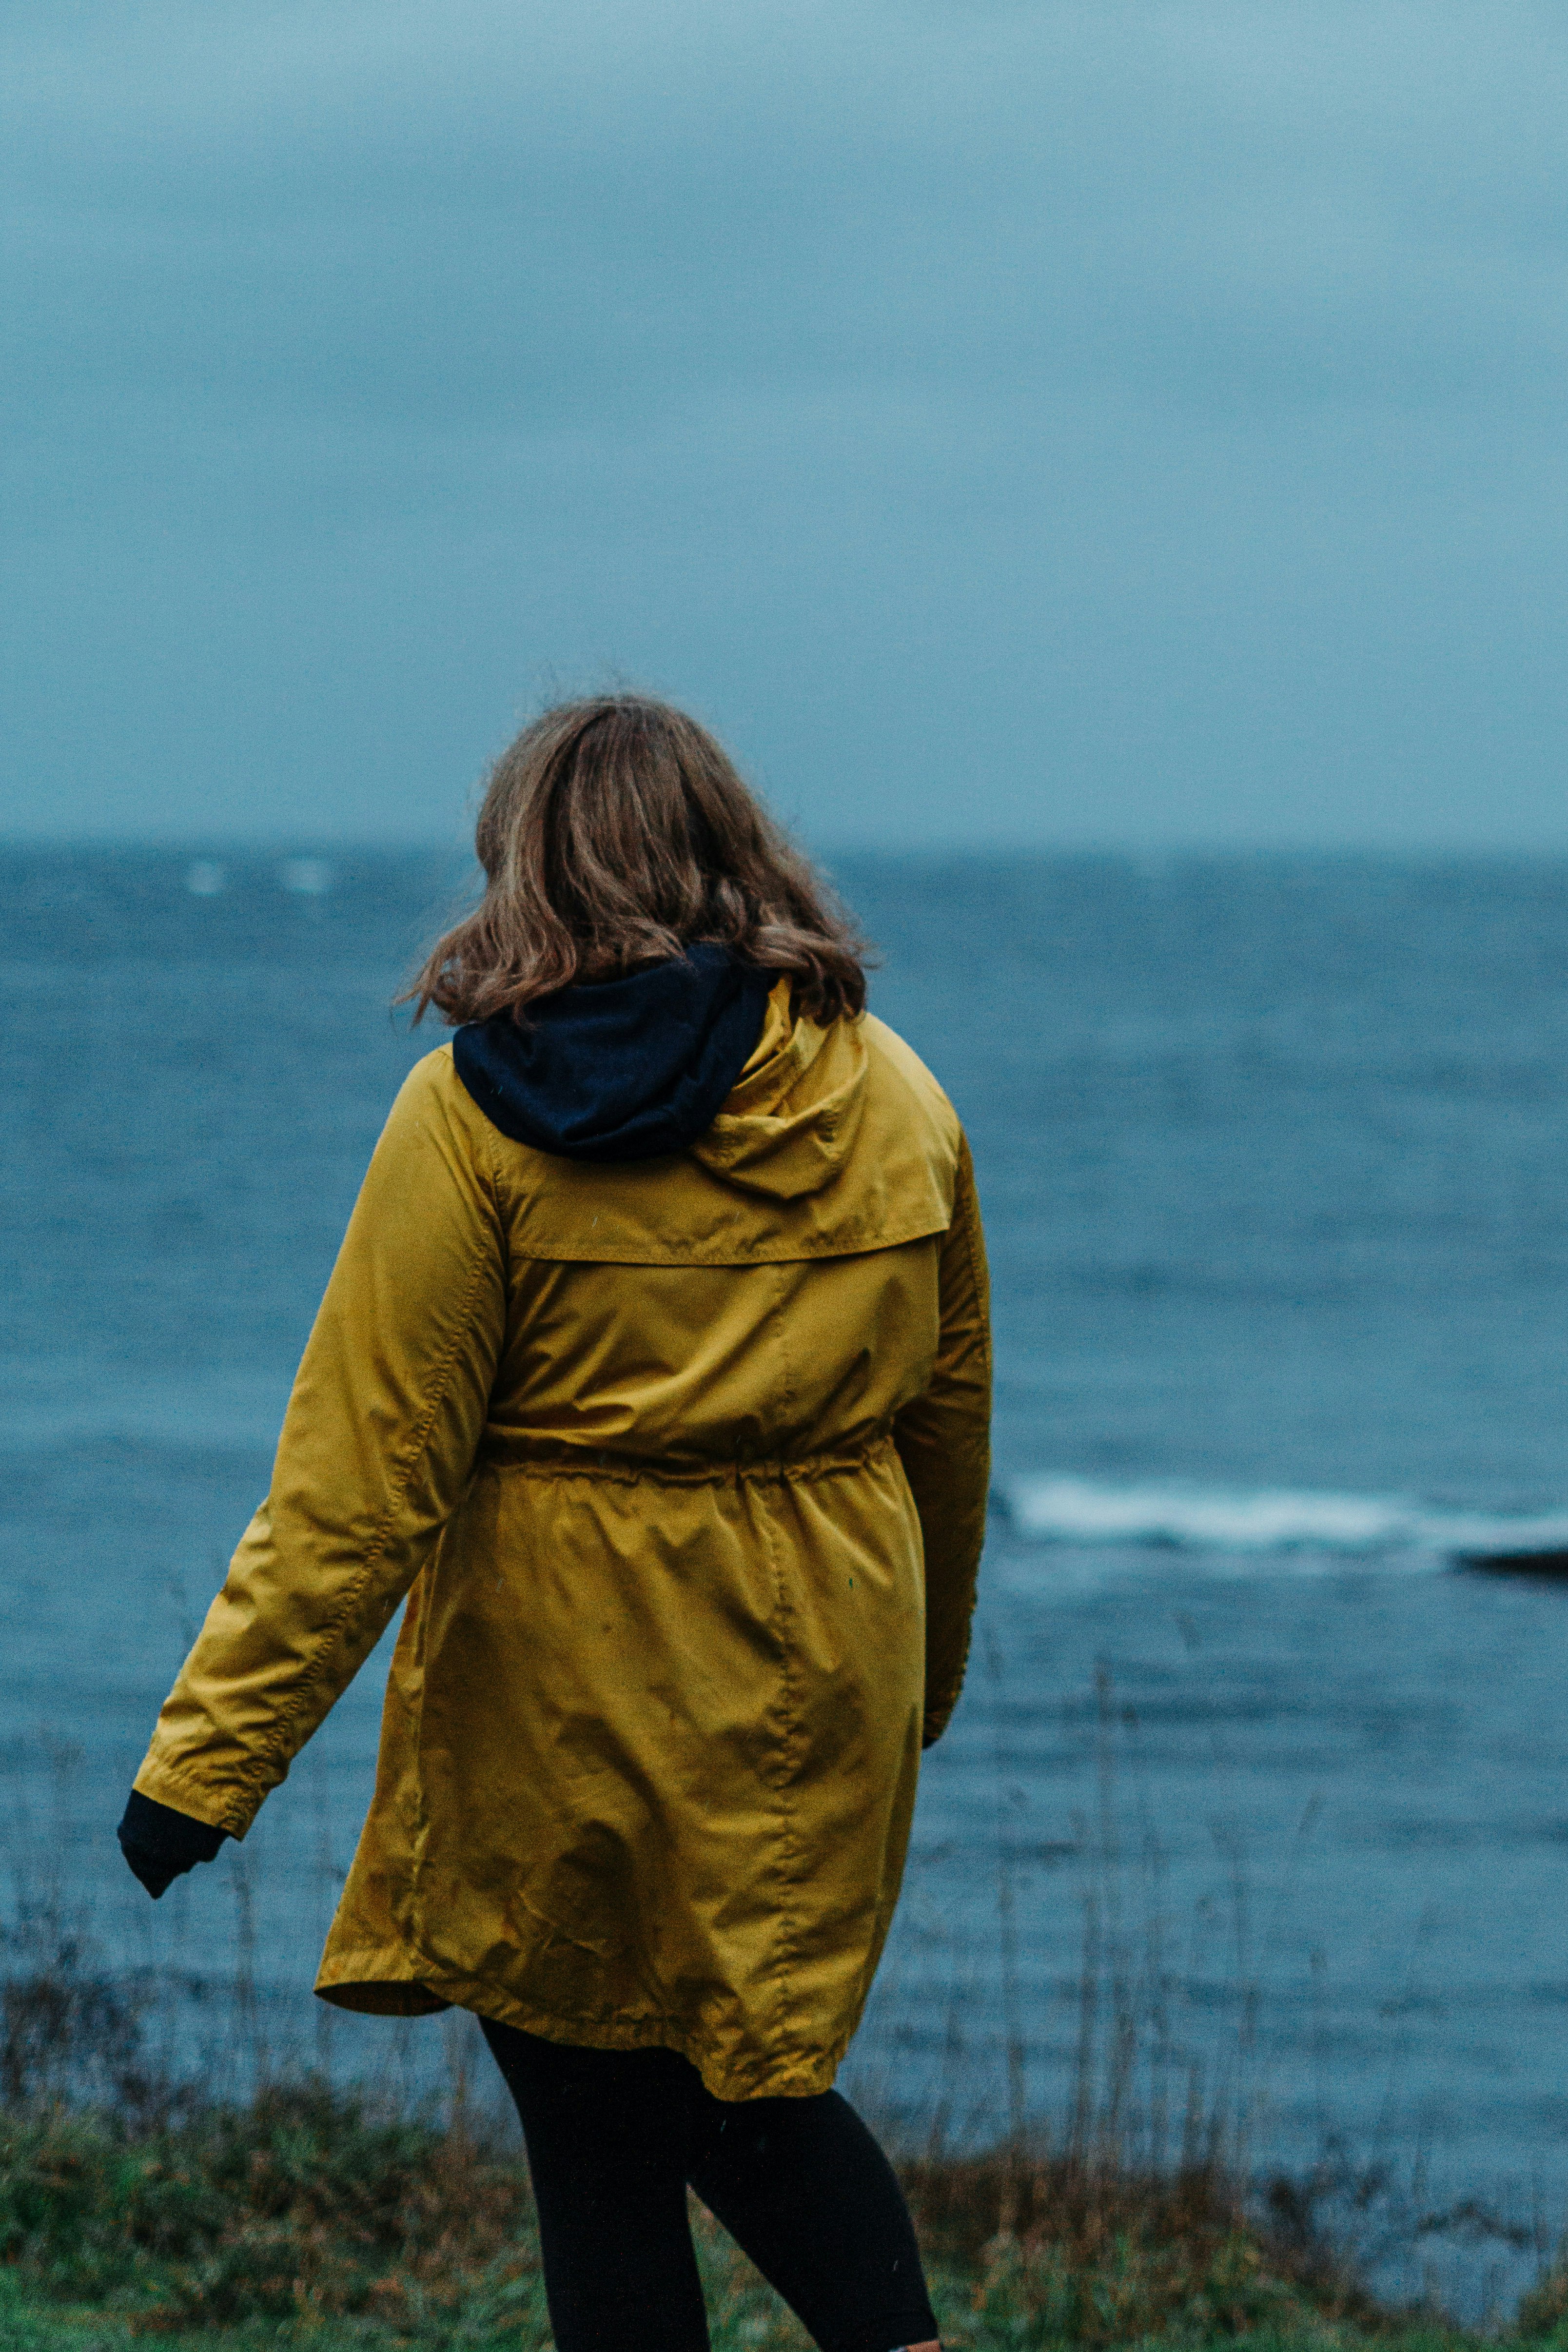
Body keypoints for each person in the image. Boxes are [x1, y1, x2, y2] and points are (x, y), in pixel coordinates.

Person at [118, 695, 992, 2352]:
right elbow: (948, 1430)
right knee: (760, 2085)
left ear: (523, 864)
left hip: (556, 1692)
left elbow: (358, 1480)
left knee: (603, 2144)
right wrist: (922, 1685)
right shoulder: (897, 1096)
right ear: (740, 843)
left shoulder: (470, 1119)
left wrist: (203, 1771)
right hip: (820, 1689)